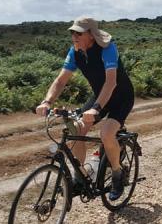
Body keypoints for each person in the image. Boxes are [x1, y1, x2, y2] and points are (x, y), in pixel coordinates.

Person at [35, 16, 134, 201]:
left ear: (90, 34)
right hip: (99, 96)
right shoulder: (75, 52)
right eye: (72, 32)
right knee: (76, 128)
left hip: (121, 97)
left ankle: (117, 174)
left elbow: (111, 82)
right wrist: (47, 102)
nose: (74, 36)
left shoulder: (108, 48)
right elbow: (61, 80)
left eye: (78, 33)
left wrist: (96, 108)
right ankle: (80, 177)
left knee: (106, 133)